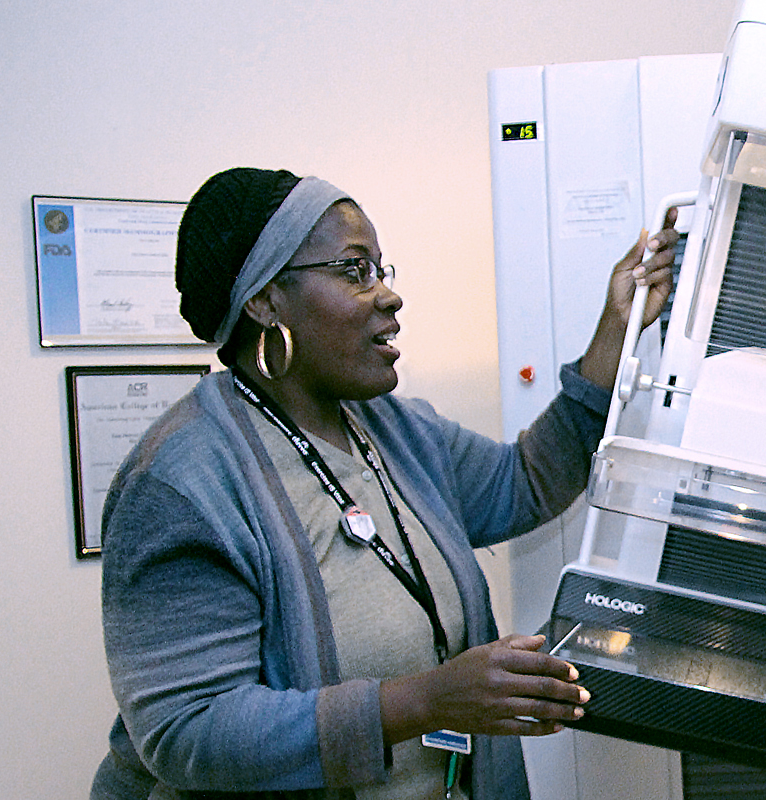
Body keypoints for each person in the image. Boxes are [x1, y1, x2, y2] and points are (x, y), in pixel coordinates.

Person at [91, 167, 677, 800]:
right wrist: (424, 701)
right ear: (264, 299)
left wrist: (618, 326)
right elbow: (189, 734)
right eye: (353, 271)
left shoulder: (391, 429)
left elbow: (523, 482)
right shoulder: (183, 484)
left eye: (381, 270)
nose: (388, 296)